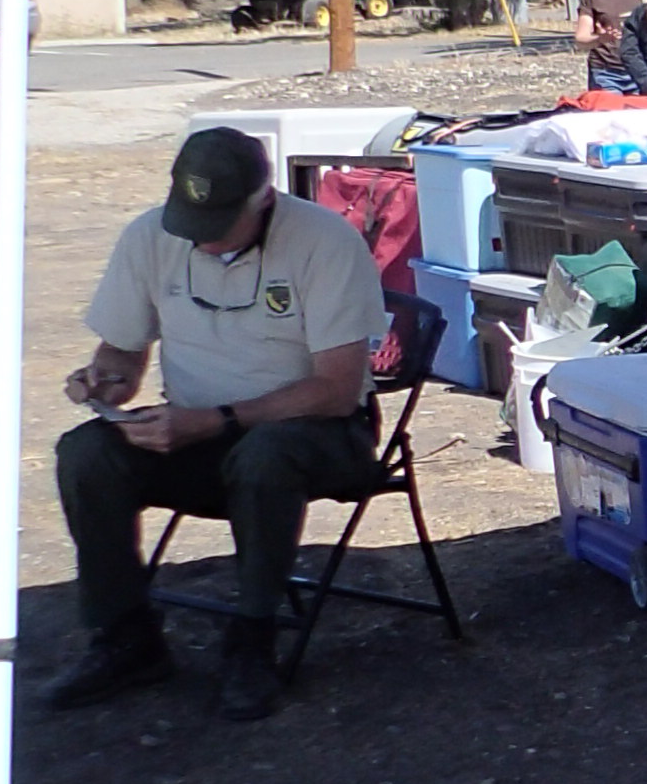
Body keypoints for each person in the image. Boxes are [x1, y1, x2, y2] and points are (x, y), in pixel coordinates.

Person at [47, 127, 390, 722]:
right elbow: (122, 351)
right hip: (195, 430)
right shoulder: (150, 236)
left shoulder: (325, 241)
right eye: (192, 223)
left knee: (266, 457)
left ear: (264, 200)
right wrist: (106, 380)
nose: (202, 239)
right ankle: (124, 637)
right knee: (86, 454)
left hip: (319, 432)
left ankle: (252, 641)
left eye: (218, 224)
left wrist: (218, 421)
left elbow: (335, 390)